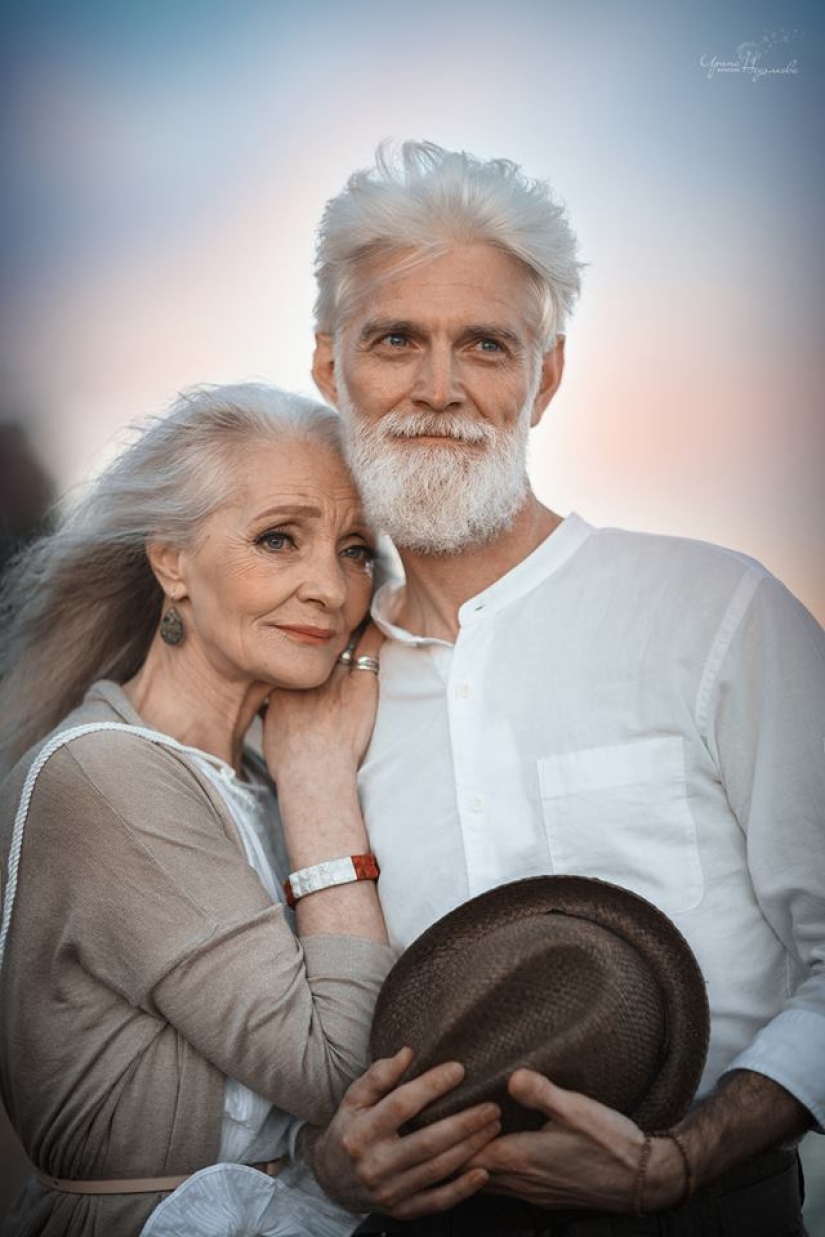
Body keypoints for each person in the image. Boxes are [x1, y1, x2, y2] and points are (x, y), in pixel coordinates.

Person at [300, 142, 825, 1234]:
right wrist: (332, 1163)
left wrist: (682, 1160)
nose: (438, 388)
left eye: (485, 344)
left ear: (544, 376)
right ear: (328, 368)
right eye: (395, 339)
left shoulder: (718, 613)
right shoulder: (312, 692)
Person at [0, 383, 500, 1237]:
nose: (330, 589)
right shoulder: (108, 776)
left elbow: (290, 1112)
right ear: (172, 560)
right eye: (278, 538)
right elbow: (341, 1073)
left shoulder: (248, 778)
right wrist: (319, 780)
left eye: (354, 550)